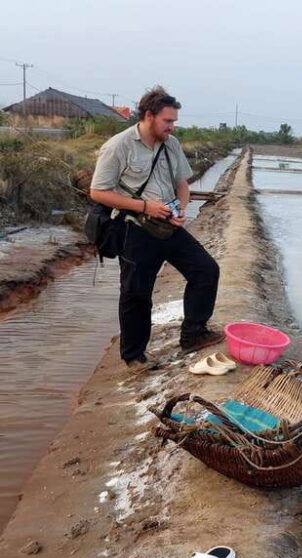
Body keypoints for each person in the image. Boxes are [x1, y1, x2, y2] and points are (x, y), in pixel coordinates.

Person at [89, 86, 221, 369]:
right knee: (137, 294)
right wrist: (145, 207)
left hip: (168, 225)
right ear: (149, 116)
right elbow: (98, 192)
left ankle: (193, 334)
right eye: (168, 121)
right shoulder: (118, 146)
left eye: (174, 122)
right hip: (135, 228)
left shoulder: (170, 144)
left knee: (206, 270)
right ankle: (134, 357)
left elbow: (182, 184)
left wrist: (180, 209)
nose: (172, 127)